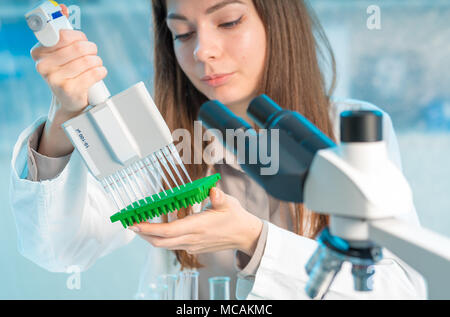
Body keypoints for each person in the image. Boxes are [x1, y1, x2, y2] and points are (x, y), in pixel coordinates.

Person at [10, 0, 426, 299]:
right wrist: (66, 114)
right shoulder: (161, 142)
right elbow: (57, 249)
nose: (201, 51)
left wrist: (255, 239)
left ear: (276, 19)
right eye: (183, 33)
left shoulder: (352, 131)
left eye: (228, 21)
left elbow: (401, 290)